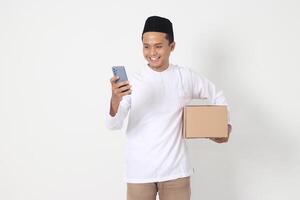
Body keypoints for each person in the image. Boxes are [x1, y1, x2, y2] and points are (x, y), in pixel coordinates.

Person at [105, 16, 232, 200]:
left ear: (172, 46)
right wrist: (115, 99)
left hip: (175, 172)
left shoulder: (185, 77)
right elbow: (113, 125)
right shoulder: (132, 82)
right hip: (139, 172)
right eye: (146, 46)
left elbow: (217, 95)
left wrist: (223, 127)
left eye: (158, 46)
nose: (152, 52)